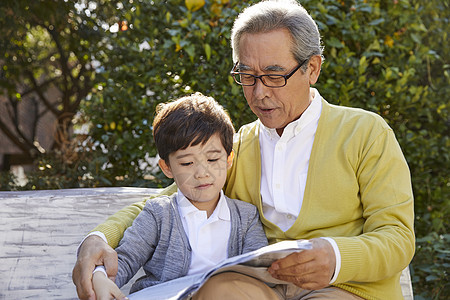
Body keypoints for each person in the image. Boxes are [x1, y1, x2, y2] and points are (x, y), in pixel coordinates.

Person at [73, 0, 415, 299]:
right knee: (220, 292)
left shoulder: (365, 132)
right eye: (246, 75)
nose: (259, 92)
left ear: (312, 68)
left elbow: (398, 237)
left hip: (346, 288)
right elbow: (164, 201)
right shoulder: (236, 147)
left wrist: (337, 257)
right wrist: (97, 238)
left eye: (273, 74)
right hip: (265, 287)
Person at [89, 93, 268, 299]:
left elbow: (257, 269)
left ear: (228, 159)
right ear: (167, 167)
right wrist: (101, 277)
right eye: (186, 163)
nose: (202, 173)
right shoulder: (158, 215)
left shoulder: (246, 217)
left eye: (212, 159)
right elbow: (126, 259)